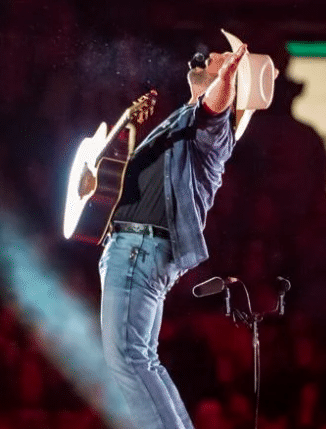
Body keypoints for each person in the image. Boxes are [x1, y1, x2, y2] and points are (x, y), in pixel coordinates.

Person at [99, 38, 249, 429]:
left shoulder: (213, 127)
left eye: (219, 56)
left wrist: (230, 73)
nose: (210, 54)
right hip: (137, 249)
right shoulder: (185, 122)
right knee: (140, 358)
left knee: (130, 358)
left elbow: (216, 106)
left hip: (140, 249)